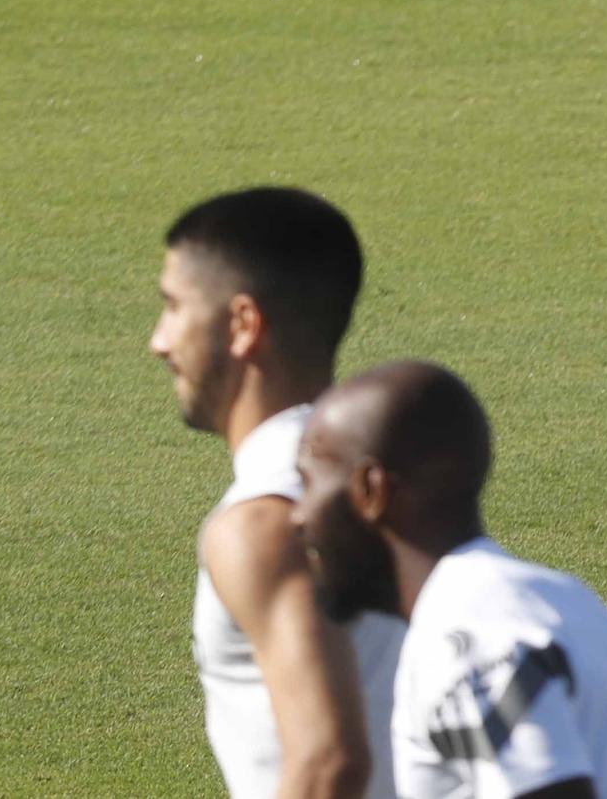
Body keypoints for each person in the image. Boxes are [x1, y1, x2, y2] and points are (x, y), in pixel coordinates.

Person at [292, 360, 607, 799]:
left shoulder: (465, 643)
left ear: (370, 491)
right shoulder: (558, 600)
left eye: (307, 482)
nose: (296, 516)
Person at [150, 187, 404, 796]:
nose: (159, 341)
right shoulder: (391, 483)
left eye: (173, 308)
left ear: (243, 325)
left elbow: (329, 762)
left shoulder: (265, 524)